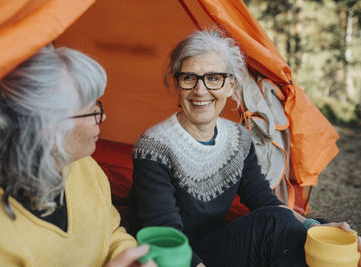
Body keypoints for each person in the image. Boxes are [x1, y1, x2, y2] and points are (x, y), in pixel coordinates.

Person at [128, 30, 361, 267]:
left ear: (231, 85)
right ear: (177, 84)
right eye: (189, 78)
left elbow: (262, 199)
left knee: (285, 225)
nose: (200, 90)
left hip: (212, 242)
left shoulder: (237, 138)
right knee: (276, 226)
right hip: (170, 256)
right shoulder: (154, 147)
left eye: (214, 78)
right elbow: (165, 234)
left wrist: (314, 226)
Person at [0, 45, 156, 267]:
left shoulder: (82, 165)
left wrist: (130, 256)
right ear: (47, 131)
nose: (103, 116)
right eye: (93, 110)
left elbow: (109, 231)